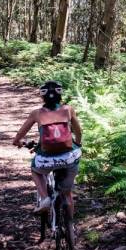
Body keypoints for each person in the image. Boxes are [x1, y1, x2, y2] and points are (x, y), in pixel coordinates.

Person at [12, 80, 82, 215]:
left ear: (41, 96)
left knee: (35, 170)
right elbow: (78, 131)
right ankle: (70, 225)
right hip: (69, 158)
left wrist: (17, 142)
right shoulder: (68, 110)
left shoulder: (36, 113)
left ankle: (44, 198)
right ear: (60, 95)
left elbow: (21, 133)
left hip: (46, 160)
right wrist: (78, 143)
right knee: (67, 193)